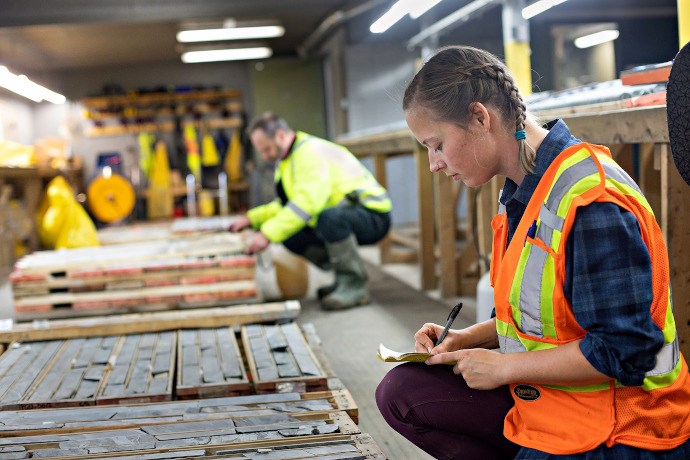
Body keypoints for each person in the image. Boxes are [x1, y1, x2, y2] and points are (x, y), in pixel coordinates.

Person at [375, 45, 690, 459]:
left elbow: (626, 352)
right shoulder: (522, 195)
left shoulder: (589, 203)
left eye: (436, 145)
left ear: (480, 118)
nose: (434, 164)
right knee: (402, 391)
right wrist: (467, 338)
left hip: (622, 426)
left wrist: (505, 368)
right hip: (555, 400)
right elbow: (537, 318)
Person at [229, 112, 392, 310]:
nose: (265, 156)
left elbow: (306, 205)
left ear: (280, 135)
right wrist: (252, 219)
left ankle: (354, 285)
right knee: (291, 235)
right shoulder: (287, 161)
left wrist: (266, 234)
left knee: (328, 219)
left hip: (372, 215)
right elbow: (286, 205)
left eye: (267, 149)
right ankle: (343, 278)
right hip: (346, 214)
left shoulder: (310, 153)